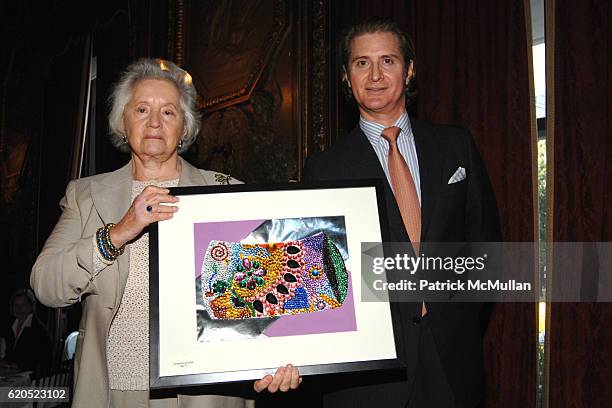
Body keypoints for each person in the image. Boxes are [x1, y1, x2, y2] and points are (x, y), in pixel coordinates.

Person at [30, 58, 300, 408]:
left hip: (206, 392)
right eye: (142, 109)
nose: (155, 122)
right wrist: (117, 233)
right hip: (116, 391)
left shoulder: (227, 193)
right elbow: (46, 286)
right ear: (122, 123)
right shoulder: (86, 195)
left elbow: (264, 301)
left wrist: (279, 358)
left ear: (184, 128)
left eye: (169, 112)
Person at [304, 18, 501, 408]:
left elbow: (486, 245)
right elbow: (321, 275)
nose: (375, 74)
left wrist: (458, 317)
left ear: (409, 69)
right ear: (346, 76)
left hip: (454, 360)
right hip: (370, 376)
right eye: (361, 63)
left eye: (388, 61)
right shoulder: (322, 169)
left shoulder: (455, 145)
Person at [0, 288, 51, 372]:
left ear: (31, 307)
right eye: (16, 305)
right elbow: (11, 354)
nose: (19, 309)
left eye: (24, 305)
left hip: (32, 376)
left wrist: (18, 365)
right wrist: (4, 362)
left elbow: (42, 360)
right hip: (14, 372)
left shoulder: (38, 330)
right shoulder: (11, 326)